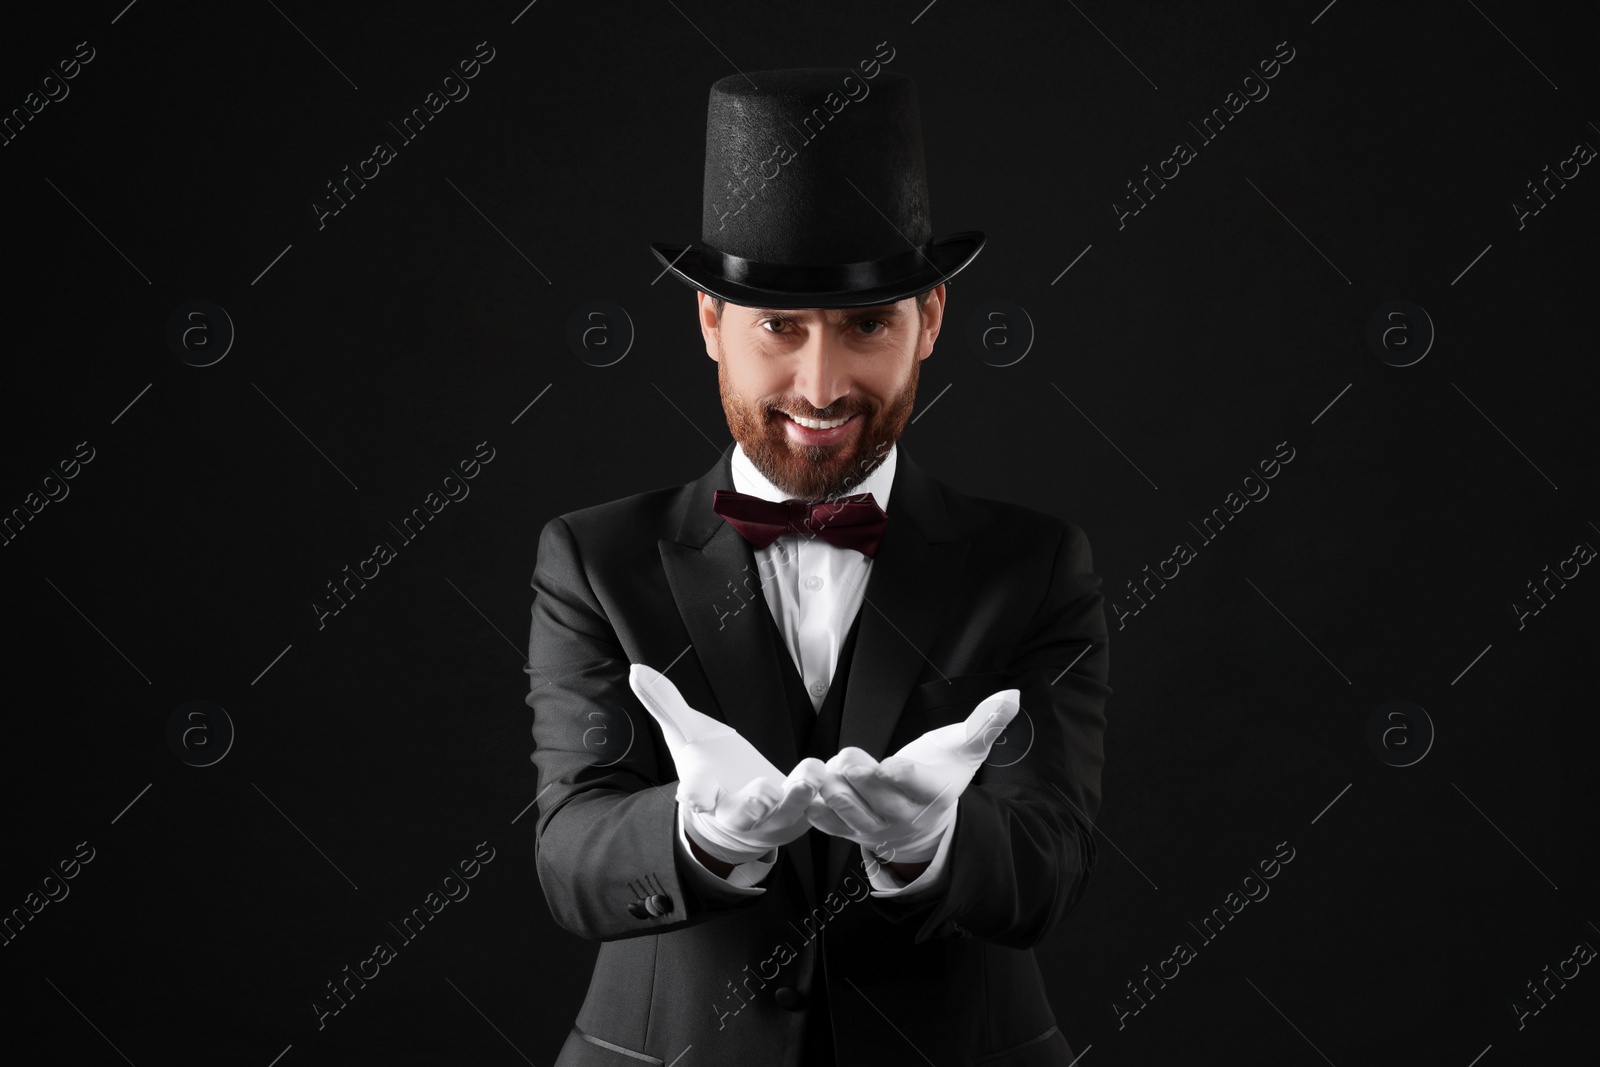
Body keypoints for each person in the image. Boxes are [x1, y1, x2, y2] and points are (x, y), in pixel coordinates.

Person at [526, 67, 1110, 1066]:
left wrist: (929, 841)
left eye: (867, 324)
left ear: (930, 317)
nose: (821, 382)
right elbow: (570, 854)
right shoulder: (593, 558)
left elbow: (1043, 872)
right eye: (777, 327)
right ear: (710, 322)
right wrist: (697, 830)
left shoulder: (1038, 564)